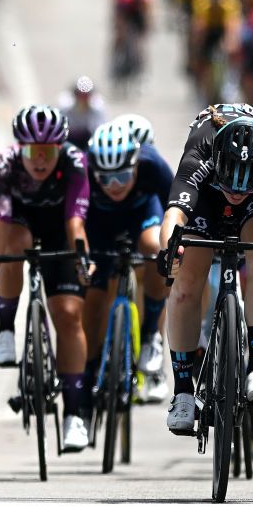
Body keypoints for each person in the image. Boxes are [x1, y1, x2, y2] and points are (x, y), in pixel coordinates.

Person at [159, 104, 253, 435]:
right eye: (231, 185)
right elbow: (174, 216)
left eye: (244, 186)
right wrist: (169, 250)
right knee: (187, 279)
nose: (236, 194)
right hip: (206, 198)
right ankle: (182, 393)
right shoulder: (201, 150)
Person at [0, 105, 93, 451]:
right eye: (33, 151)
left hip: (60, 229)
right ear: (20, 149)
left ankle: (74, 415)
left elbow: (76, 221)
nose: (41, 160)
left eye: (48, 152)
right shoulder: (5, 165)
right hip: (20, 225)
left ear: (60, 148)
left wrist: (82, 260)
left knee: (70, 316)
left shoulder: (75, 161)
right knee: (11, 242)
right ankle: (5, 330)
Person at [84, 121, 173, 407]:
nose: (114, 186)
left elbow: (178, 207)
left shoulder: (153, 165)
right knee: (94, 299)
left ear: (136, 165)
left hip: (141, 216)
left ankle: (150, 337)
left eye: (123, 176)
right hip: (99, 224)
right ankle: (92, 367)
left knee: (156, 248)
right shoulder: (82, 171)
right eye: (105, 179)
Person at [60, 76, 108, 151]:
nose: (83, 99)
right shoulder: (65, 106)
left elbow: (100, 130)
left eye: (86, 96)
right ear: (75, 95)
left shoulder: (97, 108)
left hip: (88, 140)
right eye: (80, 95)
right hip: (70, 139)